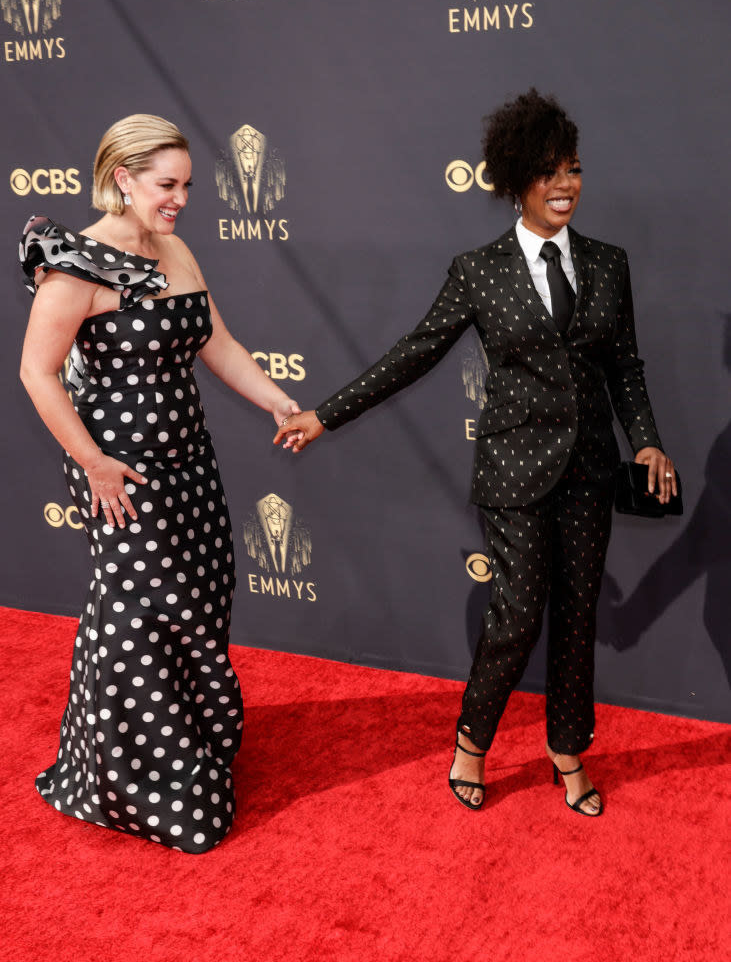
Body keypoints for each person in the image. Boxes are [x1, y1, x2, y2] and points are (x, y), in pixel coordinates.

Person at [274, 89, 676, 816]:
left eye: (575, 169)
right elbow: (417, 352)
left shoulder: (607, 264)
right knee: (518, 613)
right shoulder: (477, 270)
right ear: (516, 178)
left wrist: (645, 441)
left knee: (579, 615)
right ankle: (471, 741)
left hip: (587, 470)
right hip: (513, 472)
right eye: (549, 171)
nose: (565, 185)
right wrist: (324, 415)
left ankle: (565, 751)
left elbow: (626, 368)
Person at [19, 114, 300, 852]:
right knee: (142, 618)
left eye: (186, 186)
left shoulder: (173, 248)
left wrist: (273, 397)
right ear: (124, 178)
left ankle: (196, 746)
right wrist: (93, 463)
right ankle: (139, 783)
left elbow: (218, 342)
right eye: (166, 185)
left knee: (200, 603)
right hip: (121, 475)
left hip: (189, 465)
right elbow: (36, 374)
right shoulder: (76, 265)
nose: (180, 199)